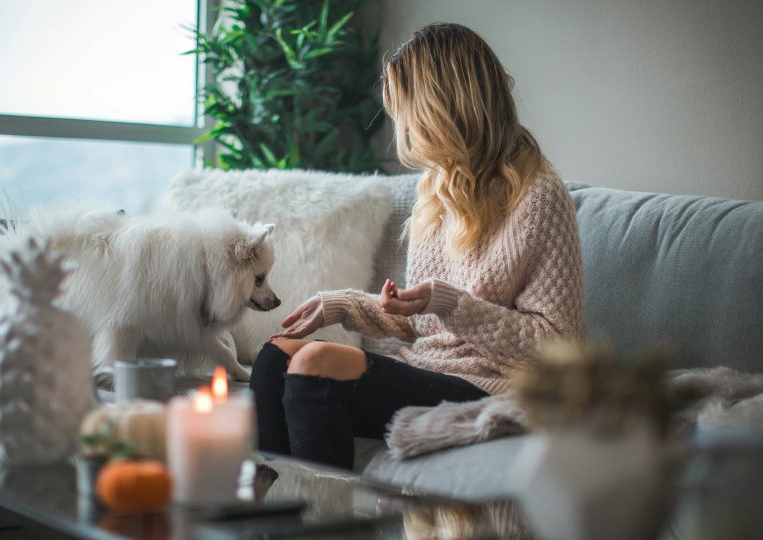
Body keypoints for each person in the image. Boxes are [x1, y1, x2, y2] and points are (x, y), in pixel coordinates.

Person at [249, 22, 585, 470]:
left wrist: (452, 305)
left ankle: (327, 523)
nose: (402, 125)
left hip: (495, 385)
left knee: (316, 364)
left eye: (406, 109)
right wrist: (344, 305)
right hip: (426, 368)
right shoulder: (437, 187)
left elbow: (559, 348)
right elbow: (421, 322)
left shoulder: (538, 195)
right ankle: (270, 516)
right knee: (275, 356)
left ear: (442, 107)